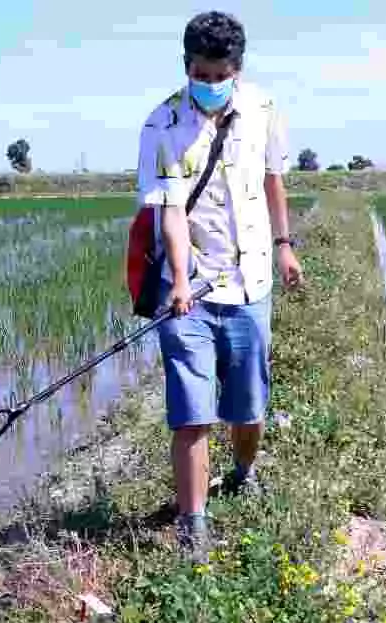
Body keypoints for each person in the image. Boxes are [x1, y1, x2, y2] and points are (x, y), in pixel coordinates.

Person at [135, 10, 304, 563]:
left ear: (238, 67)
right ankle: (194, 527)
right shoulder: (162, 125)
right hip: (187, 290)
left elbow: (272, 178)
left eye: (219, 75)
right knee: (192, 410)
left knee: (248, 407)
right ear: (187, 66)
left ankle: (243, 472)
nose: (210, 85)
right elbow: (170, 214)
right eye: (200, 75)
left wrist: (285, 246)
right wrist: (180, 279)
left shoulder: (263, 111)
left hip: (252, 281)